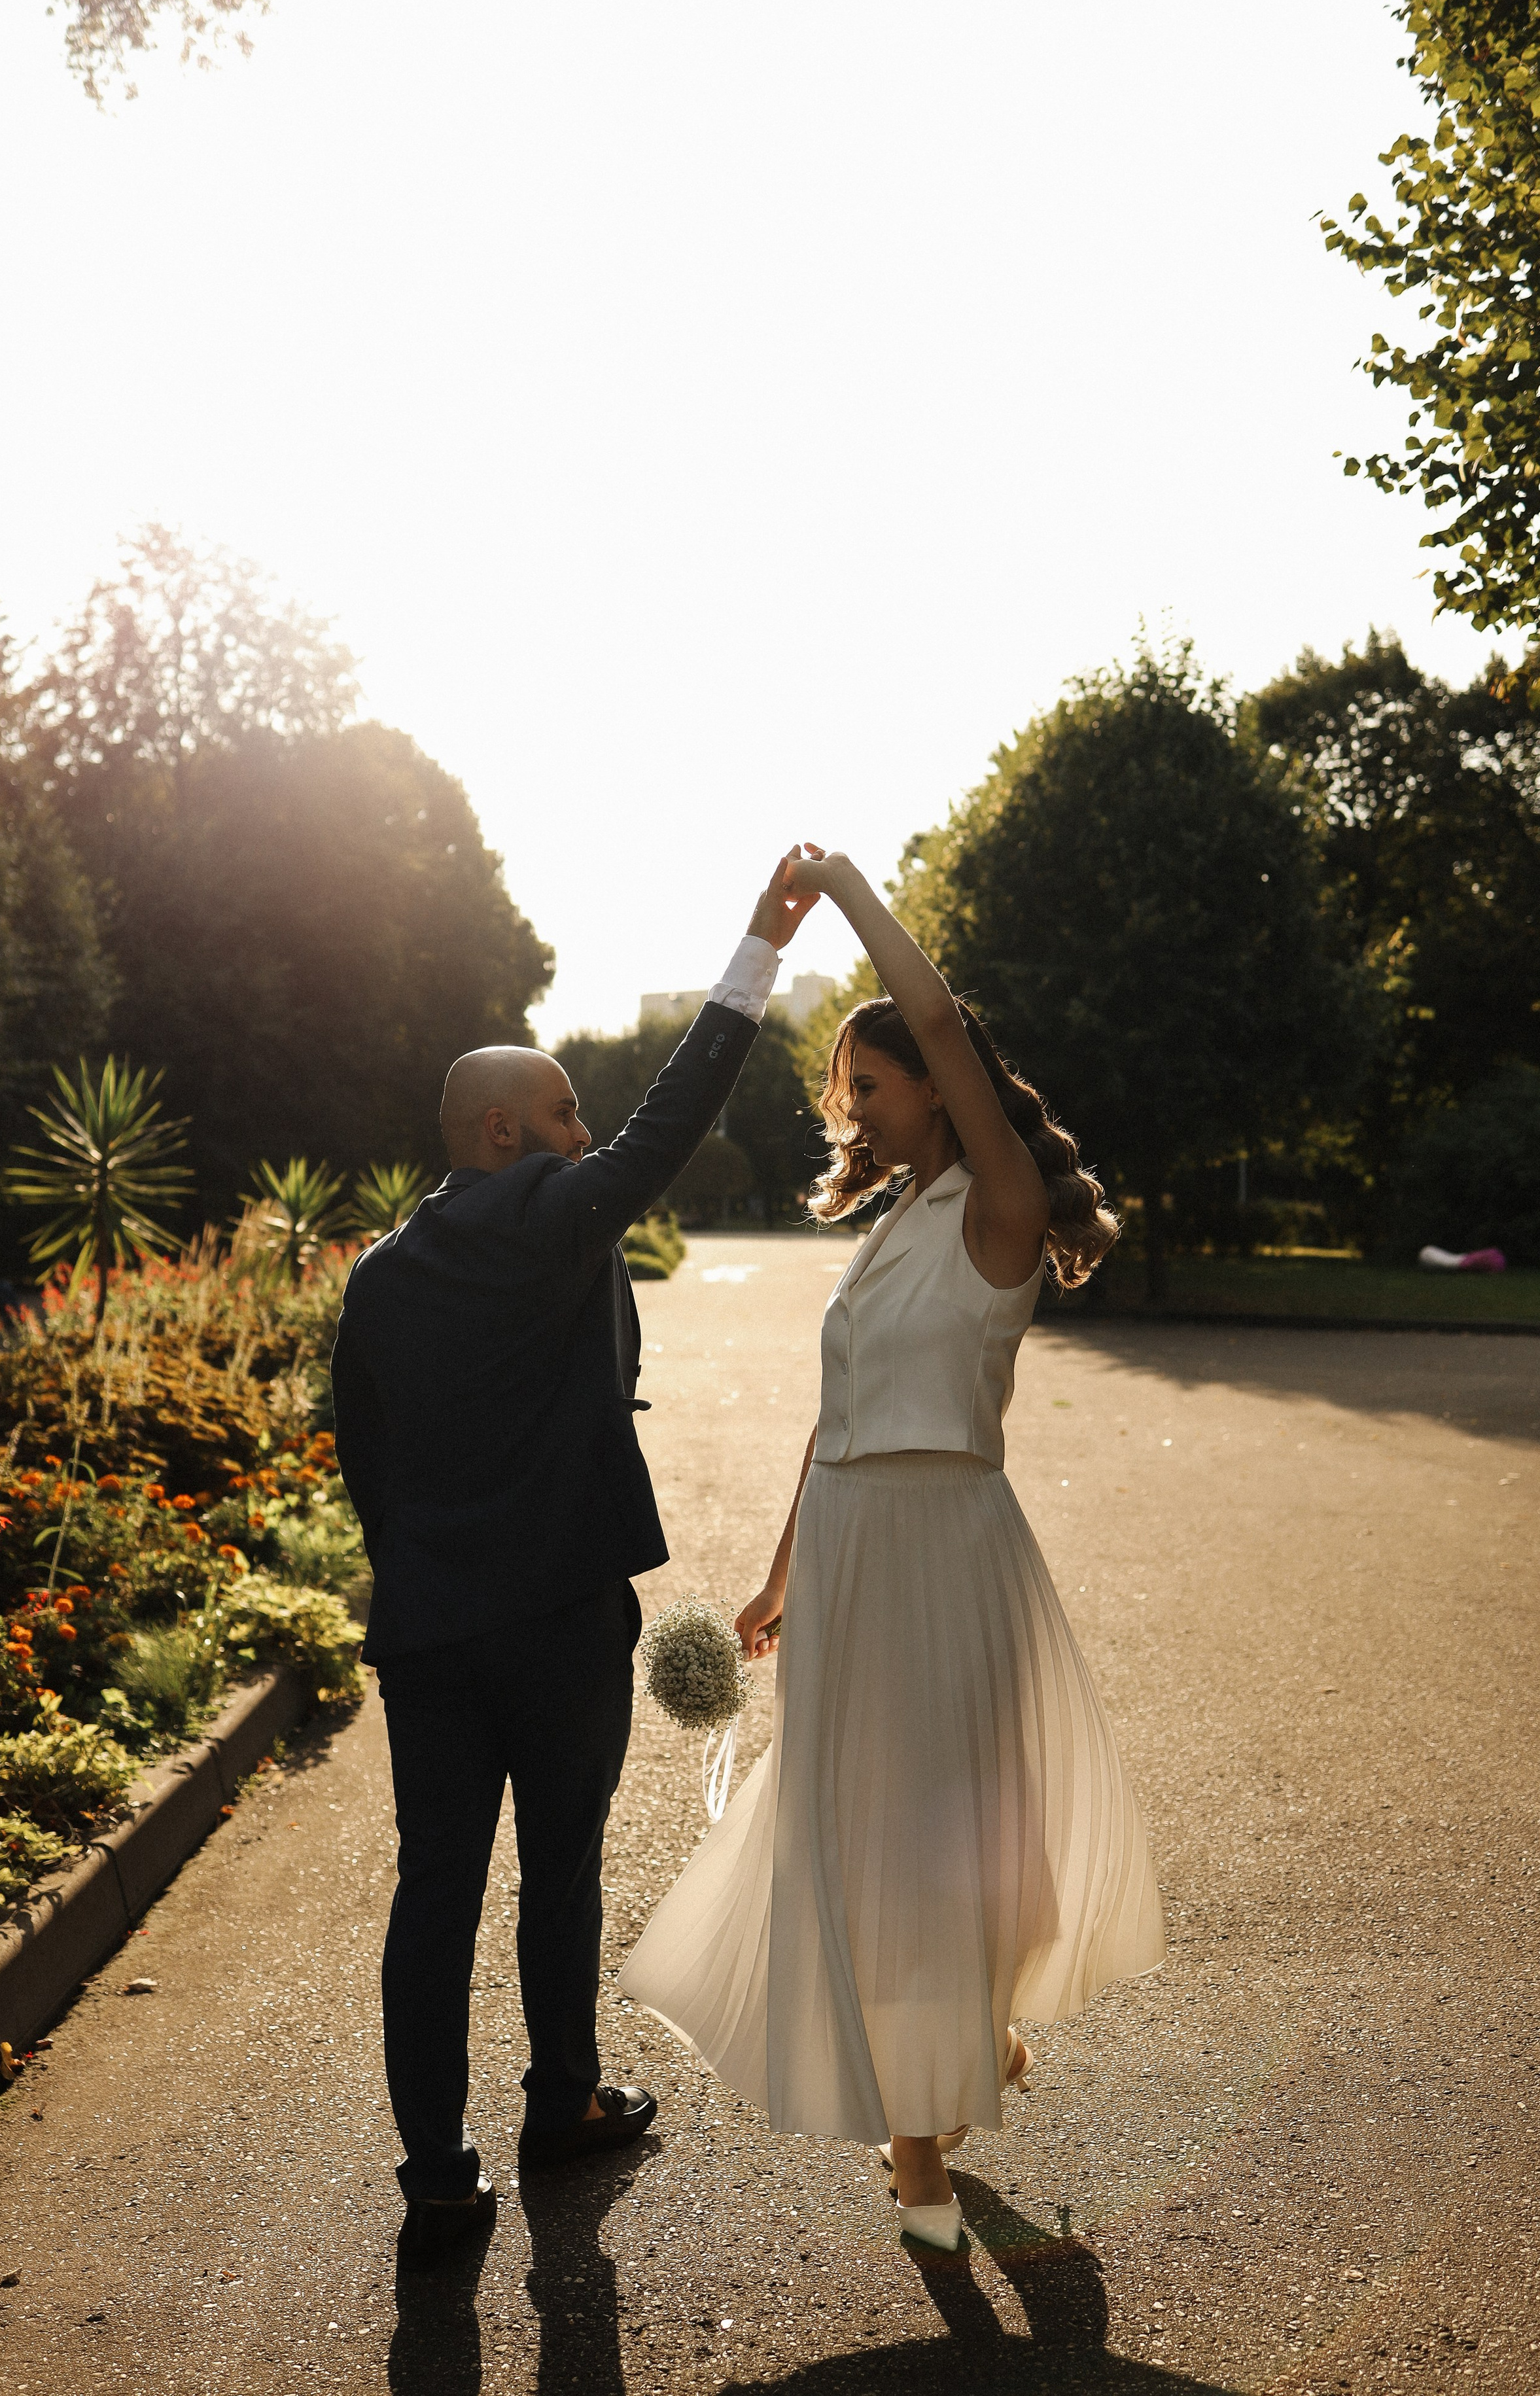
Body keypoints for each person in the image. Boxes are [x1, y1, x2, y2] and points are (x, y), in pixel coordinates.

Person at [619, 846, 1165, 2254]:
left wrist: (852, 897)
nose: (853, 1105)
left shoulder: (999, 1206)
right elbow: (835, 1418)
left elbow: (936, 1014)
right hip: (853, 1554)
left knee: (930, 1831)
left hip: (947, 1548)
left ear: (938, 1086)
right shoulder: (894, 1223)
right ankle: (949, 2065)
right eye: (845, 1087)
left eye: (870, 1081)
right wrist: (779, 1577)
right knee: (861, 1829)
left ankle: (916, 2142)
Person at [332, 852, 820, 2270]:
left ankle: (437, 2175)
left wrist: (429, 1569)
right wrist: (756, 950)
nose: (586, 1135)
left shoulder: (380, 1273)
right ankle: (563, 2103)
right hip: (555, 1619)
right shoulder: (545, 1215)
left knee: (434, 1891)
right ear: (501, 1131)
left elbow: (364, 1457)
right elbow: (667, 1125)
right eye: (562, 1114)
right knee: (560, 1870)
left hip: (430, 1630)